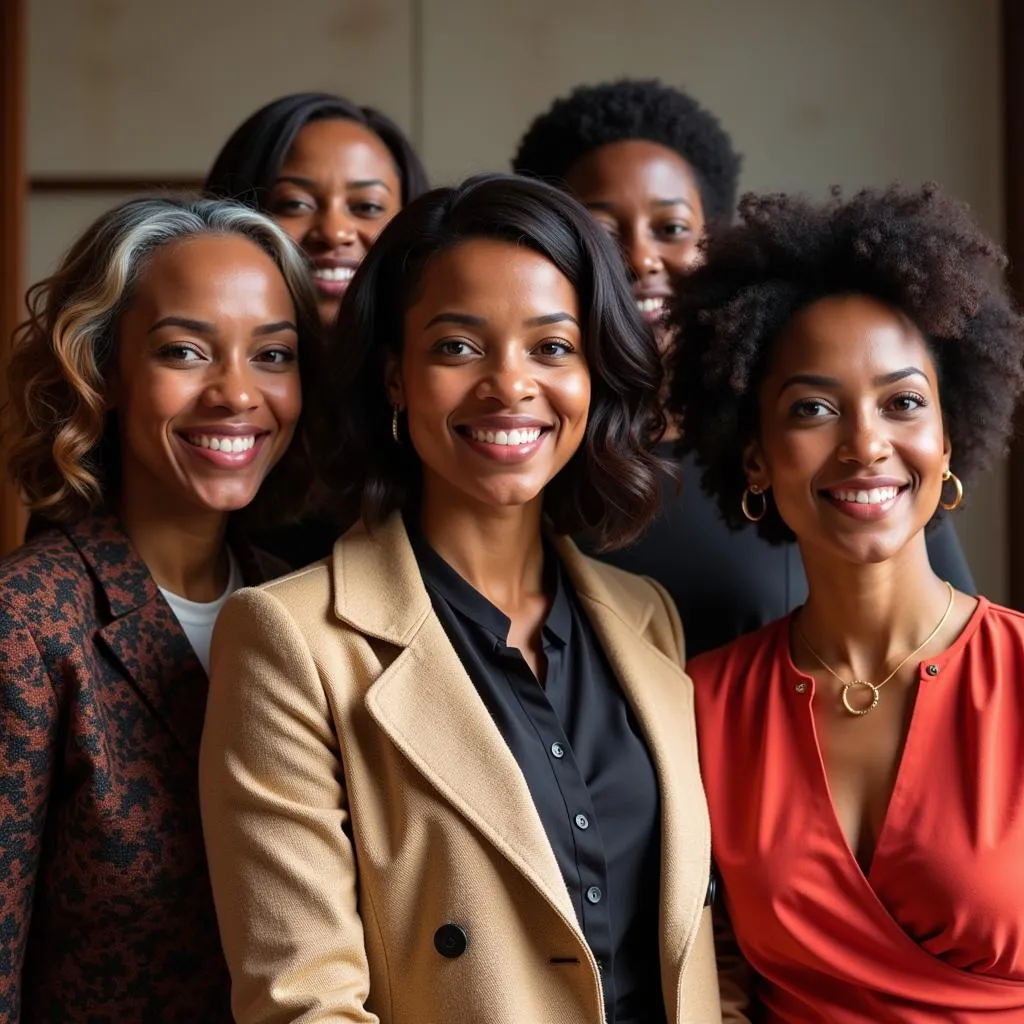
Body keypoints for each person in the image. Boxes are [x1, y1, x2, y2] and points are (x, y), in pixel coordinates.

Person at [199, 174, 720, 1023]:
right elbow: (304, 1005)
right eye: (457, 347)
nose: (509, 386)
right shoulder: (289, 640)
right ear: (395, 378)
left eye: (552, 347)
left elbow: (704, 947)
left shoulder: (646, 617)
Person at [670, 184, 1024, 1021]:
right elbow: (702, 965)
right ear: (755, 458)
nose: (866, 444)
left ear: (947, 441)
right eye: (814, 408)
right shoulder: (697, 706)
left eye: (903, 403)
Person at [513, 79, 975, 655]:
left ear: (715, 242)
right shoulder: (527, 452)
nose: (640, 256)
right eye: (604, 233)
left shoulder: (815, 443)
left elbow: (949, 652)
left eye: (672, 228)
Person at [0, 195, 321, 1022]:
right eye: (185, 351)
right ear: (102, 368)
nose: (237, 393)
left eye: (273, 356)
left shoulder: (309, 606)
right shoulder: (27, 622)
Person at [206, 92, 429, 568]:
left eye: (366, 206)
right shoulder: (207, 400)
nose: (333, 230)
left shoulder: (432, 391)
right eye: (295, 202)